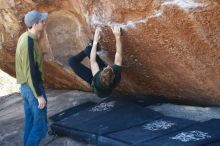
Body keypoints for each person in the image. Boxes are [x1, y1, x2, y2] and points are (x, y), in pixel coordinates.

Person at [15, 10, 48, 146]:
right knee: (40, 127)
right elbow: (31, 72)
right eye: (41, 21)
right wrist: (39, 95)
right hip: (32, 88)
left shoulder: (25, 37)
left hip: (25, 88)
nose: (44, 22)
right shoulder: (28, 42)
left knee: (30, 122)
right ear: (34, 24)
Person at [68, 26, 122, 98]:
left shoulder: (96, 77)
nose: (108, 66)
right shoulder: (116, 76)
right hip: (103, 80)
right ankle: (88, 49)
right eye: (109, 68)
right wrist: (117, 36)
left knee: (72, 61)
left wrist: (95, 41)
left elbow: (92, 61)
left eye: (106, 68)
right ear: (114, 76)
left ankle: (88, 49)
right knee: (88, 52)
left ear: (100, 73)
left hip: (92, 80)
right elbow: (118, 54)